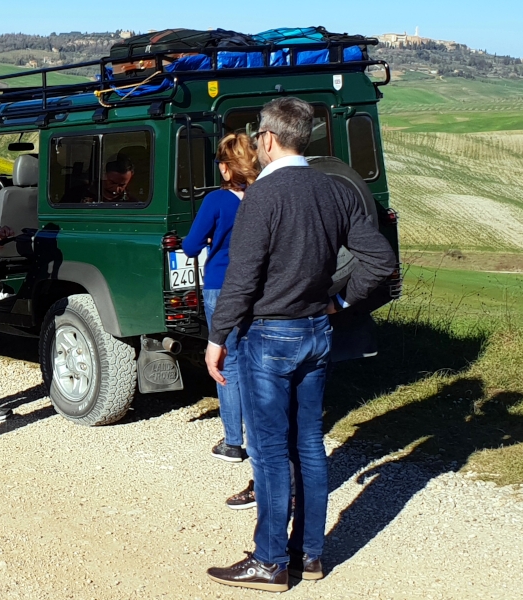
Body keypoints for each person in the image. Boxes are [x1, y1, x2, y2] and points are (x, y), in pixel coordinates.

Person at [203, 97, 398, 592]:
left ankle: (269, 561)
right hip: (317, 330)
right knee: (309, 445)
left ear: (267, 140)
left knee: (270, 452)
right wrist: (341, 302)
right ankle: (308, 556)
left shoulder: (262, 196)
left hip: (269, 335)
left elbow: (242, 280)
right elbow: (381, 262)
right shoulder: (335, 190)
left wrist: (217, 336)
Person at [182, 132, 260, 509]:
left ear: (226, 167)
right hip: (258, 289)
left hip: (220, 286)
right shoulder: (264, 196)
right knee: (253, 358)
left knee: (226, 360)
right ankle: (260, 433)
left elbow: (191, 246)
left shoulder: (216, 200)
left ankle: (233, 441)